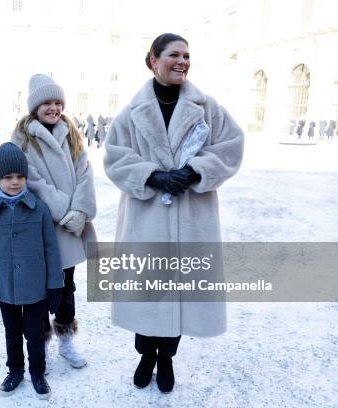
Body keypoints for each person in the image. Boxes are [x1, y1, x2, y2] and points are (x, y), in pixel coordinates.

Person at [103, 33, 244, 393]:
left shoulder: (207, 106)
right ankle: (145, 354)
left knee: (179, 292)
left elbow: (231, 145)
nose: (182, 61)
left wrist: (196, 170)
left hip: (191, 217)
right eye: (173, 55)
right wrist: (152, 175)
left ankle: (165, 358)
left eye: (186, 55)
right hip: (146, 218)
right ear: (152, 59)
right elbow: (115, 157)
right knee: (147, 292)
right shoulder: (131, 112)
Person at [11, 74, 97, 370]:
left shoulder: (71, 132)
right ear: (35, 106)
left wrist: (81, 211)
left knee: (66, 285)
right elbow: (31, 180)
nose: (54, 108)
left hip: (72, 226)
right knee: (39, 288)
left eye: (58, 102)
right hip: (42, 226)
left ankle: (65, 339)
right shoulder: (22, 138)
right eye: (47, 102)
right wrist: (64, 212)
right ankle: (39, 342)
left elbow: (85, 173)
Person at [0, 142, 63, 399]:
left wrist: (55, 284)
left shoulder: (40, 210)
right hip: (5, 288)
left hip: (35, 288)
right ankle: (15, 370)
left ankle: (37, 372)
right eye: (8, 177)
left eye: (20, 176)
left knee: (35, 333)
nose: (15, 182)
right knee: (11, 332)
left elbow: (51, 250)